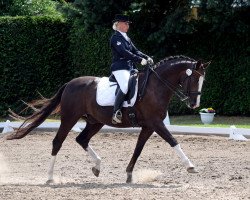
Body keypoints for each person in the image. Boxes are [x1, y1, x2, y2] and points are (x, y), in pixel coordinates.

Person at [110, 14, 153, 124]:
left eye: (128, 23)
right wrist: (140, 60)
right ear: (118, 24)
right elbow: (124, 52)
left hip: (129, 68)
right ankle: (116, 112)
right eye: (125, 23)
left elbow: (136, 51)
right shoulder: (115, 38)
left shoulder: (126, 38)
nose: (127, 25)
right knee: (124, 86)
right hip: (119, 68)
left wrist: (146, 57)